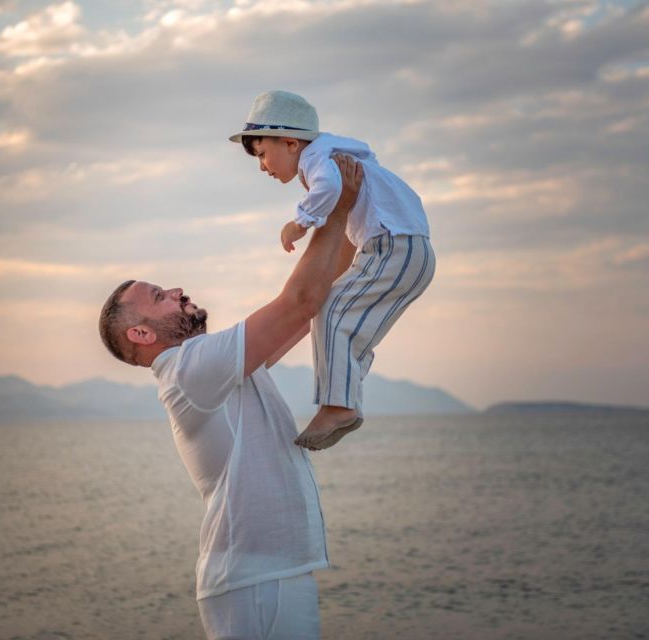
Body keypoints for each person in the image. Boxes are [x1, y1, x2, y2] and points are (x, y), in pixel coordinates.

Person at [98, 156, 363, 640]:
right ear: (140, 332)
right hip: (254, 580)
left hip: (263, 577)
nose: (177, 290)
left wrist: (353, 217)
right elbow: (298, 303)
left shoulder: (211, 370)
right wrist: (338, 209)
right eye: (160, 295)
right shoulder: (187, 369)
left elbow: (310, 307)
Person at [229, 90, 436, 451]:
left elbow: (329, 187)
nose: (262, 166)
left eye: (263, 154)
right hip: (411, 252)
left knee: (330, 310)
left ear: (292, 142)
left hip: (392, 246)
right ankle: (344, 402)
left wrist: (301, 222)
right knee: (350, 325)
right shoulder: (333, 153)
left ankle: (338, 406)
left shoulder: (317, 159)